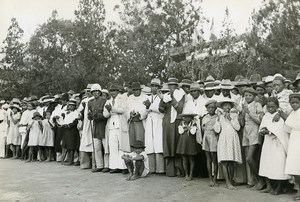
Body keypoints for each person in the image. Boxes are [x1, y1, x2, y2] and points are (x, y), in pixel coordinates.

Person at [259, 97, 290, 195]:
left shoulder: (280, 115)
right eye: (268, 107)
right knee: (267, 164)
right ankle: (269, 186)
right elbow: (261, 127)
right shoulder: (266, 116)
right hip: (268, 143)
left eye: (273, 106)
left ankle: (279, 187)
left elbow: (281, 129)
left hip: (278, 143)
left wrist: (269, 131)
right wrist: (263, 131)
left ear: (277, 106)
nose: (270, 108)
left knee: (279, 165)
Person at [214, 98, 242, 190]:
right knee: (224, 161)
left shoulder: (234, 115)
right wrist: (218, 119)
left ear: (231, 107)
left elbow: (237, 128)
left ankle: (230, 180)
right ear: (222, 107)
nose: (227, 107)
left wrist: (230, 119)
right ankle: (227, 182)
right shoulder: (219, 117)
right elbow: (217, 130)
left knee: (232, 161)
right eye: (225, 105)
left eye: (229, 105)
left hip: (233, 138)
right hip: (223, 139)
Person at [159, 78, 185, 177]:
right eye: (170, 85)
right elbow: (161, 110)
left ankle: (179, 170)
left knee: (177, 145)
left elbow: (180, 108)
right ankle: (170, 171)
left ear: (177, 86)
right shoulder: (166, 95)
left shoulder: (181, 95)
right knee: (168, 144)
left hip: (177, 121)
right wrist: (162, 100)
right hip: (167, 122)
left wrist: (172, 99)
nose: (172, 87)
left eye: (174, 85)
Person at [103, 84, 130, 174]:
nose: (113, 92)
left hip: (120, 124)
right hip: (111, 126)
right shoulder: (108, 101)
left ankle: (123, 167)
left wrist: (112, 109)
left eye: (114, 91)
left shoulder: (122, 99)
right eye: (111, 91)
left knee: (122, 146)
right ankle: (114, 166)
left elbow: (123, 110)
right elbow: (105, 114)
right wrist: (110, 111)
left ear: (118, 91)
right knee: (113, 146)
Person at [241, 88, 264, 190]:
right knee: (249, 159)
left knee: (250, 158)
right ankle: (254, 181)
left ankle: (261, 180)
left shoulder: (257, 105)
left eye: (250, 95)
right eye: (246, 95)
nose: (247, 97)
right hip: (246, 131)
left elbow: (259, 121)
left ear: (254, 96)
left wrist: (249, 112)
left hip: (254, 130)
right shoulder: (244, 105)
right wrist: (242, 114)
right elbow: (242, 122)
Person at [143, 78, 165, 174]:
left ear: (159, 87)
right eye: (152, 86)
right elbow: (144, 112)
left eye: (156, 86)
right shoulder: (148, 97)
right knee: (149, 144)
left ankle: (160, 169)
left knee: (158, 143)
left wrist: (150, 107)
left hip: (158, 121)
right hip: (150, 121)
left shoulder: (162, 97)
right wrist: (146, 110)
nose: (154, 88)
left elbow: (162, 110)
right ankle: (152, 168)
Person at [88, 84, 109, 172]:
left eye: (97, 91)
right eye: (93, 92)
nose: (95, 93)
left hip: (103, 126)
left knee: (106, 147)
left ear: (100, 92)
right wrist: (89, 116)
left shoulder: (105, 101)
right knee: (97, 147)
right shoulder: (90, 102)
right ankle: (99, 165)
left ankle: (107, 165)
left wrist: (97, 115)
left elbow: (106, 115)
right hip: (95, 127)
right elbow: (89, 114)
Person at [285, 93, 300, 201]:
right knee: (294, 167)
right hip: (294, 140)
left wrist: (284, 117)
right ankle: (299, 189)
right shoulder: (292, 113)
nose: (294, 105)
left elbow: (296, 126)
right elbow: (287, 128)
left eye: (296, 103)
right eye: (292, 103)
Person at [176, 110, 198, 181]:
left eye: (189, 117)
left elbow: (193, 132)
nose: (187, 119)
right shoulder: (180, 123)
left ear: (192, 118)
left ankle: (191, 174)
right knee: (184, 159)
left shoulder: (194, 124)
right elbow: (180, 131)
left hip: (191, 142)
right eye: (186, 117)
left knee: (191, 159)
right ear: (183, 118)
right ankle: (186, 174)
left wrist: (187, 128)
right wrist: (187, 128)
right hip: (183, 143)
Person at [202, 99, 219, 187]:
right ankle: (210, 179)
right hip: (206, 138)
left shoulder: (217, 117)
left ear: (215, 108)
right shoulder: (205, 117)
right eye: (209, 108)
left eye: (213, 108)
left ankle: (215, 178)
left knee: (214, 159)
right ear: (207, 109)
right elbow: (203, 128)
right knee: (208, 159)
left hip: (214, 138)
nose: (211, 109)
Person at [78, 84, 94, 169]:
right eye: (87, 91)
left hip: (92, 123)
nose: (88, 93)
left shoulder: (94, 100)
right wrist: (81, 113)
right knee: (84, 143)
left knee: (93, 142)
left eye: (90, 91)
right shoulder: (84, 101)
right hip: (85, 124)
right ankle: (85, 163)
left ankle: (94, 163)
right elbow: (79, 112)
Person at [126, 82, 147, 146]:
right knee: (132, 140)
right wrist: (130, 113)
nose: (136, 92)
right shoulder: (130, 98)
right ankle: (133, 154)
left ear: (140, 90)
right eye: (134, 90)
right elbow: (127, 109)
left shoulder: (145, 97)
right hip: (132, 122)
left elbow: (146, 109)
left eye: (137, 90)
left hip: (140, 122)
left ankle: (141, 155)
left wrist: (139, 113)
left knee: (140, 140)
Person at [61, 99, 80, 166]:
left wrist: (69, 125)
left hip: (72, 130)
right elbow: (64, 121)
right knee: (67, 145)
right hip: (66, 130)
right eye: (70, 106)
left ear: (75, 106)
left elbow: (75, 122)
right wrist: (64, 125)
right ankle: (68, 159)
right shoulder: (67, 113)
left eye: (72, 106)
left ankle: (72, 160)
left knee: (72, 146)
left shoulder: (76, 113)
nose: (71, 107)